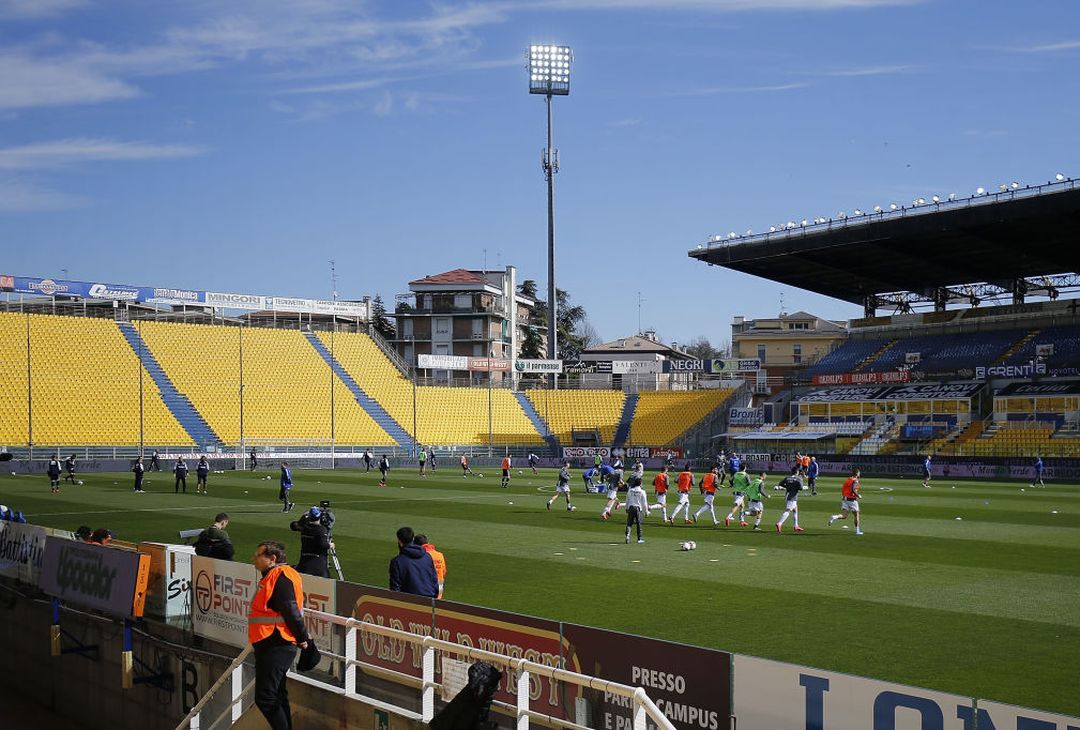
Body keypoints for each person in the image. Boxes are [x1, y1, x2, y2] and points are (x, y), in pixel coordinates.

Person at [249, 540, 311, 730]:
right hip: (272, 642)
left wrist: (303, 639)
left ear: (272, 559)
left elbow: (291, 610)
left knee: (265, 697)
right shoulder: (277, 575)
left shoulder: (280, 577)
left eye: (259, 555)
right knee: (276, 694)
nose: (254, 559)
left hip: (276, 643)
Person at [389, 526, 438, 597]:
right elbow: (434, 580)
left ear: (399, 541)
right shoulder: (427, 556)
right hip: (429, 599)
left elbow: (395, 589)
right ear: (413, 539)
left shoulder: (397, 561)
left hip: (411, 602)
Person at [290, 507, 334, 577]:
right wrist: (330, 545)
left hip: (304, 562)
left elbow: (295, 525)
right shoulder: (321, 530)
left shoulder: (305, 529)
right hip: (318, 564)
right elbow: (323, 545)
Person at [828, 467, 864, 535]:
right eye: (859, 473)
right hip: (852, 500)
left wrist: (844, 496)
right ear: (856, 473)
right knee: (856, 515)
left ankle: (834, 517)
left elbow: (843, 489)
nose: (860, 474)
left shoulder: (848, 479)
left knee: (844, 516)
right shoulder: (855, 480)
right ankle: (857, 531)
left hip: (845, 499)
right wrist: (858, 495)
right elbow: (853, 489)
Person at [414, 534, 447, 598]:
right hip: (439, 590)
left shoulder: (422, 556)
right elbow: (444, 572)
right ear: (428, 543)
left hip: (426, 590)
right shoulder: (439, 555)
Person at [775, 467, 805, 533]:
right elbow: (801, 488)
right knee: (788, 510)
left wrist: (788, 486)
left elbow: (780, 484)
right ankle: (779, 523)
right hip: (793, 497)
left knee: (795, 510)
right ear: (797, 472)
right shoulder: (799, 478)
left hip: (788, 495)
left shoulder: (787, 478)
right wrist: (796, 487)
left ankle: (796, 526)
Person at [623, 475, 650, 544]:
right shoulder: (642, 491)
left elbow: (627, 500)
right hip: (638, 509)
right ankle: (639, 538)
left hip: (631, 507)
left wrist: (626, 508)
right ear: (640, 483)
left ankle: (627, 536)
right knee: (639, 524)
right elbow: (644, 503)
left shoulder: (630, 490)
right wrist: (646, 512)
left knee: (629, 523)